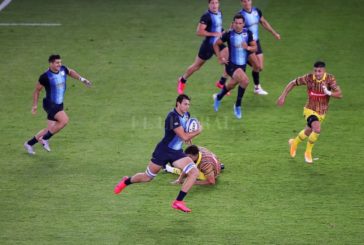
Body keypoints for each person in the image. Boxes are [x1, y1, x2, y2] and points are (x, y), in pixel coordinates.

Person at [114, 94, 202, 213]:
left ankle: (178, 201)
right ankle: (126, 181)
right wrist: (197, 131)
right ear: (178, 103)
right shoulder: (172, 117)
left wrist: (188, 137)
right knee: (147, 177)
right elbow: (183, 135)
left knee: (194, 172)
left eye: (189, 104)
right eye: (185, 104)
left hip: (176, 153)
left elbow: (185, 133)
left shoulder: (187, 115)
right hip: (163, 151)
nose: (187, 107)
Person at [24, 54, 92, 155]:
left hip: (59, 104)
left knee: (50, 129)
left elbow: (70, 72)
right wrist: (34, 105)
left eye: (60, 62)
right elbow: (37, 91)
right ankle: (45, 139)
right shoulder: (45, 76)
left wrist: (82, 79)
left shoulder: (63, 69)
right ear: (51, 63)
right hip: (50, 104)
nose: (59, 64)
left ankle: (29, 144)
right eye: (57, 63)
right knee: (64, 120)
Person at [277, 61, 342, 163]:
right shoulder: (309, 78)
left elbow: (339, 94)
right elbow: (293, 83)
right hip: (309, 109)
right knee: (317, 129)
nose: (317, 73)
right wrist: (283, 96)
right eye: (315, 71)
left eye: (319, 71)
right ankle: (308, 152)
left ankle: (294, 143)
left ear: (324, 71)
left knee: (308, 131)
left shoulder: (330, 79)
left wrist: (328, 92)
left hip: (322, 112)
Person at [177, 0, 228, 95]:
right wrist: (214, 34)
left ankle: (221, 82)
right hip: (208, 45)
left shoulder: (219, 13)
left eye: (216, 3)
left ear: (219, 4)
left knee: (229, 58)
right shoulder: (206, 16)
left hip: (218, 43)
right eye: (212, 3)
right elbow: (199, 32)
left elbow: (218, 27)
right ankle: (182, 80)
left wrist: (224, 32)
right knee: (196, 66)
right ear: (209, 4)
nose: (214, 5)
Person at [213, 14, 257, 119]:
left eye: (240, 23)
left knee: (231, 85)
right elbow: (216, 43)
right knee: (245, 81)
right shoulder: (228, 34)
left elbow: (255, 47)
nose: (238, 25)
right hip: (231, 65)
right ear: (233, 23)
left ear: (244, 24)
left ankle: (218, 97)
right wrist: (220, 58)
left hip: (242, 66)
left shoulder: (248, 33)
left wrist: (248, 48)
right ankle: (237, 105)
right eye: (236, 23)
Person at [238, 0, 281, 95]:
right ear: (241, 3)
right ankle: (257, 87)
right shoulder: (240, 16)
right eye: (244, 1)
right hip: (247, 44)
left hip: (256, 42)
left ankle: (242, 64)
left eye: (248, 0)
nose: (247, 3)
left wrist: (275, 33)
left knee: (260, 67)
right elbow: (234, 29)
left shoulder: (256, 11)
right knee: (256, 66)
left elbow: (264, 22)